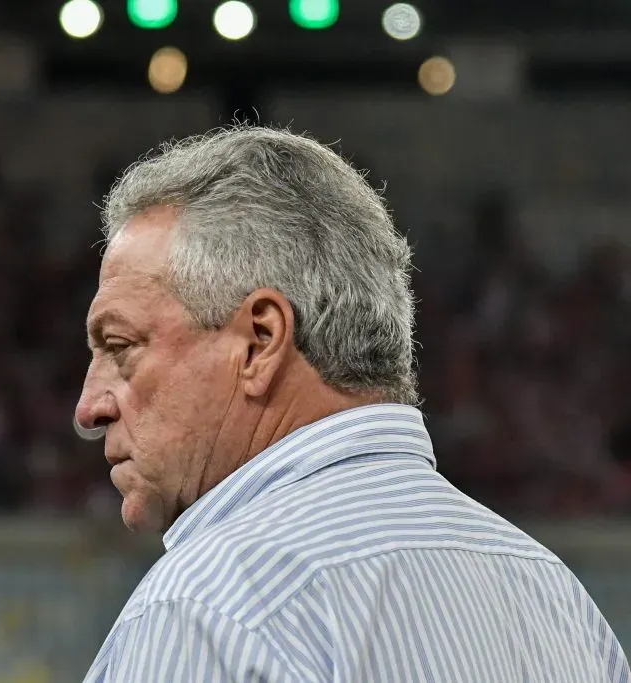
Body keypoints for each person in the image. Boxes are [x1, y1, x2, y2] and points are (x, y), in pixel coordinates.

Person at [74, 126, 630, 682]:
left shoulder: (207, 609)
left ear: (260, 341)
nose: (89, 407)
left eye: (120, 347)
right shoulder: (556, 598)